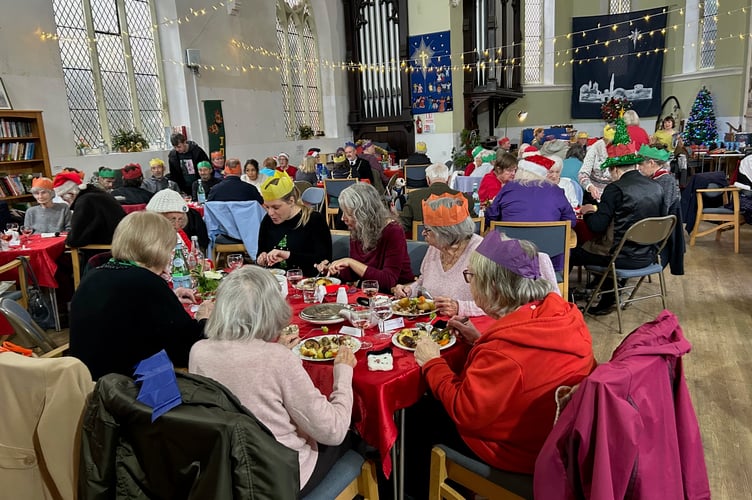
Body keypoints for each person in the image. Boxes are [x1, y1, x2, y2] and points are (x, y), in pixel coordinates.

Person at [404, 233, 596, 498]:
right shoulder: (561, 313)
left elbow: (464, 411)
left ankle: (418, 490)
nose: (469, 284)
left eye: (471, 277)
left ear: (493, 287)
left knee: (415, 415)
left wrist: (432, 362)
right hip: (555, 436)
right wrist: (480, 340)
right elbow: (525, 366)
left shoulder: (504, 351)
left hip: (519, 452)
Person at [189, 266, 357, 496]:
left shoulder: (198, 352)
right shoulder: (278, 359)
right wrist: (343, 374)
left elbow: (242, 375)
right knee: (354, 434)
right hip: (279, 479)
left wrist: (275, 352)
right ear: (271, 310)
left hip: (228, 473)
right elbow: (333, 431)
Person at [69, 211, 212, 379]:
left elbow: (126, 310)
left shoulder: (94, 275)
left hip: (86, 383)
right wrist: (204, 319)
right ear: (158, 249)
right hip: (127, 392)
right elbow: (186, 350)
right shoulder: (147, 282)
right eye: (169, 249)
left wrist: (169, 295)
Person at [572, 118, 664, 315]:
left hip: (620, 258)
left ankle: (576, 300)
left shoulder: (615, 189)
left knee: (573, 252)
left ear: (615, 169)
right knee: (610, 244)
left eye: (609, 170)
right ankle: (605, 291)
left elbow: (597, 226)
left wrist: (588, 212)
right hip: (649, 256)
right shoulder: (656, 186)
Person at [486, 150, 576, 271]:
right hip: (548, 263)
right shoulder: (555, 190)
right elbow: (571, 221)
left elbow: (491, 217)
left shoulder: (508, 189)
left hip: (509, 263)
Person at [316, 183, 413, 292]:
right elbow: (355, 273)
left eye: (349, 214)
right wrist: (334, 270)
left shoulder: (393, 231)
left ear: (363, 214)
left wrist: (350, 262)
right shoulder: (358, 228)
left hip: (396, 294)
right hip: (368, 292)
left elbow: (388, 281)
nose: (343, 218)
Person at [256, 172, 332, 276]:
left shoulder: (314, 220)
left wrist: (288, 255)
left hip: (307, 280)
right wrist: (262, 258)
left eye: (276, 207)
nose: (270, 213)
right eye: (267, 207)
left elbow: (323, 260)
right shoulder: (268, 221)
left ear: (291, 201)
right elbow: (261, 251)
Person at [54, 172, 125, 247]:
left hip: (109, 248)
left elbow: (75, 240)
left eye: (62, 196)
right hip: (119, 242)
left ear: (71, 193)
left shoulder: (85, 201)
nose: (63, 200)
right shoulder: (96, 194)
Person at [399, 163, 475, 232]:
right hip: (456, 244)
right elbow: (473, 225)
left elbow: (403, 225)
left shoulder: (414, 197)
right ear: (448, 179)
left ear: (428, 179)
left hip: (423, 245)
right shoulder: (465, 198)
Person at [637, 144, 680, 215]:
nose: (639, 168)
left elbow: (664, 211)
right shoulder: (652, 177)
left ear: (651, 163)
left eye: (641, 164)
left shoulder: (666, 180)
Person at [578, 124, 614, 203]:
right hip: (595, 194)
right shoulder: (594, 148)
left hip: (615, 193)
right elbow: (582, 174)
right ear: (604, 139)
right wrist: (590, 186)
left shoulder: (624, 147)